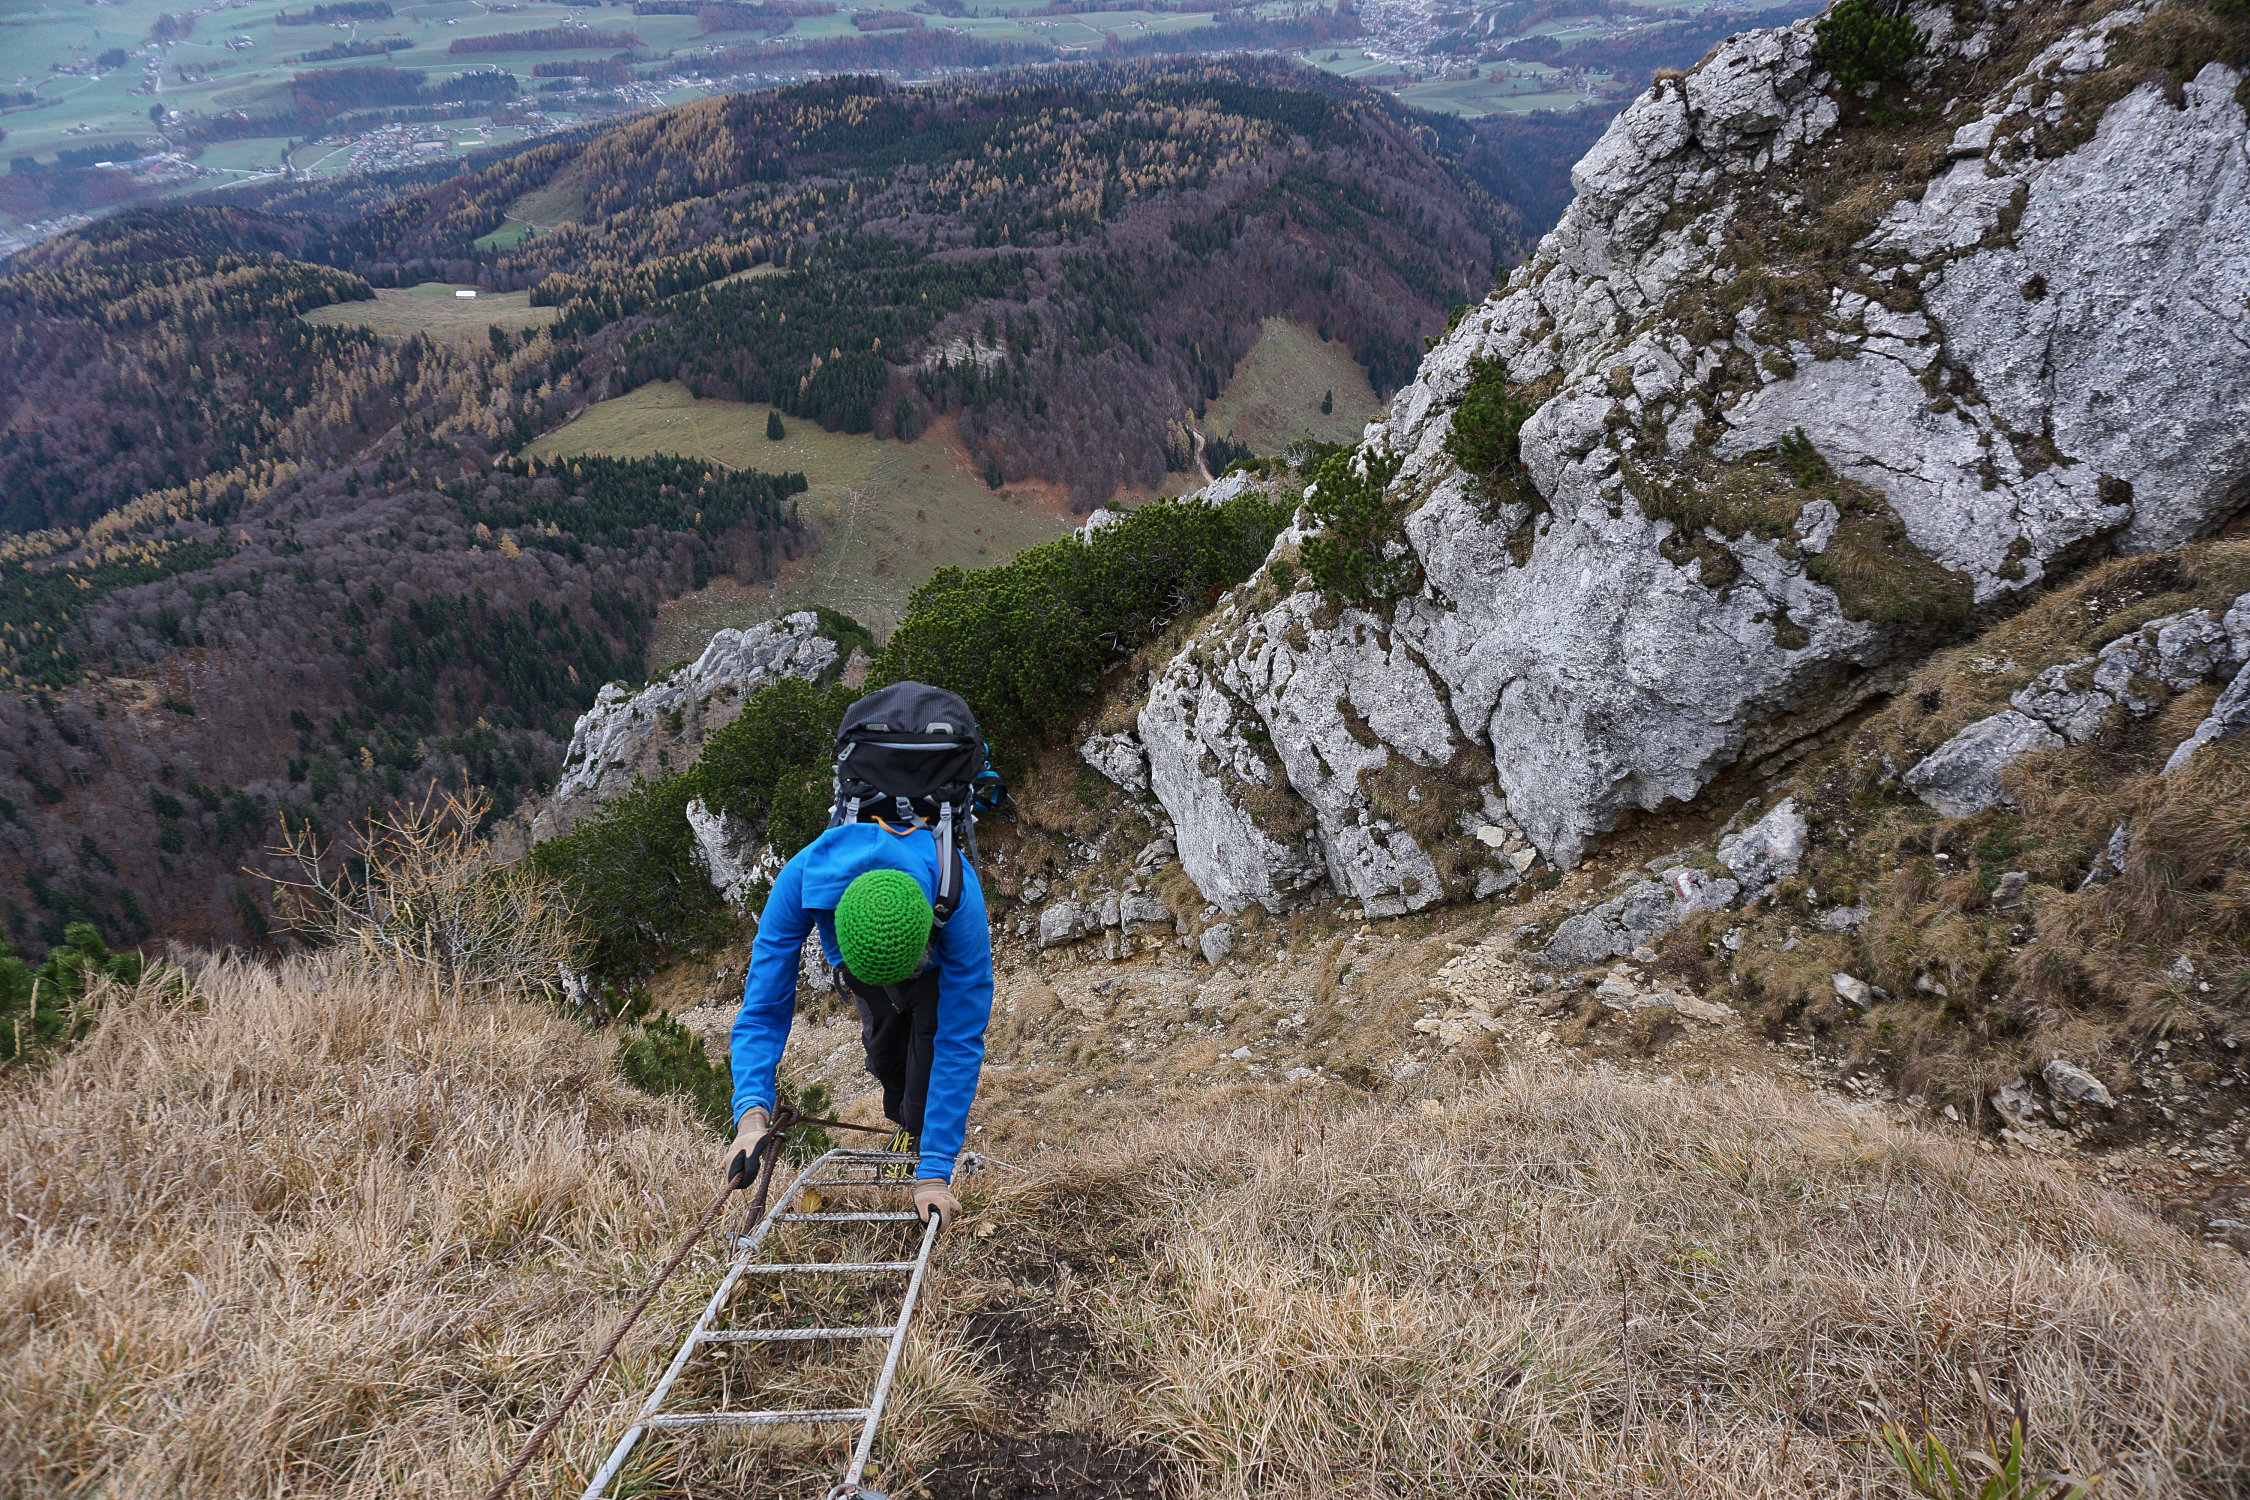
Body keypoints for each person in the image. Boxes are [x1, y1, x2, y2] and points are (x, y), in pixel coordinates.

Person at [721, 769, 993, 1229]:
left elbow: (961, 1038)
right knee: (884, 1057)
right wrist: (751, 1111)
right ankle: (905, 1122)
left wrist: (935, 1173)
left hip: (935, 974)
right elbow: (763, 1008)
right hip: (863, 969)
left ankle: (920, 1135)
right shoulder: (800, 881)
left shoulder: (958, 893)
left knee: (929, 1058)